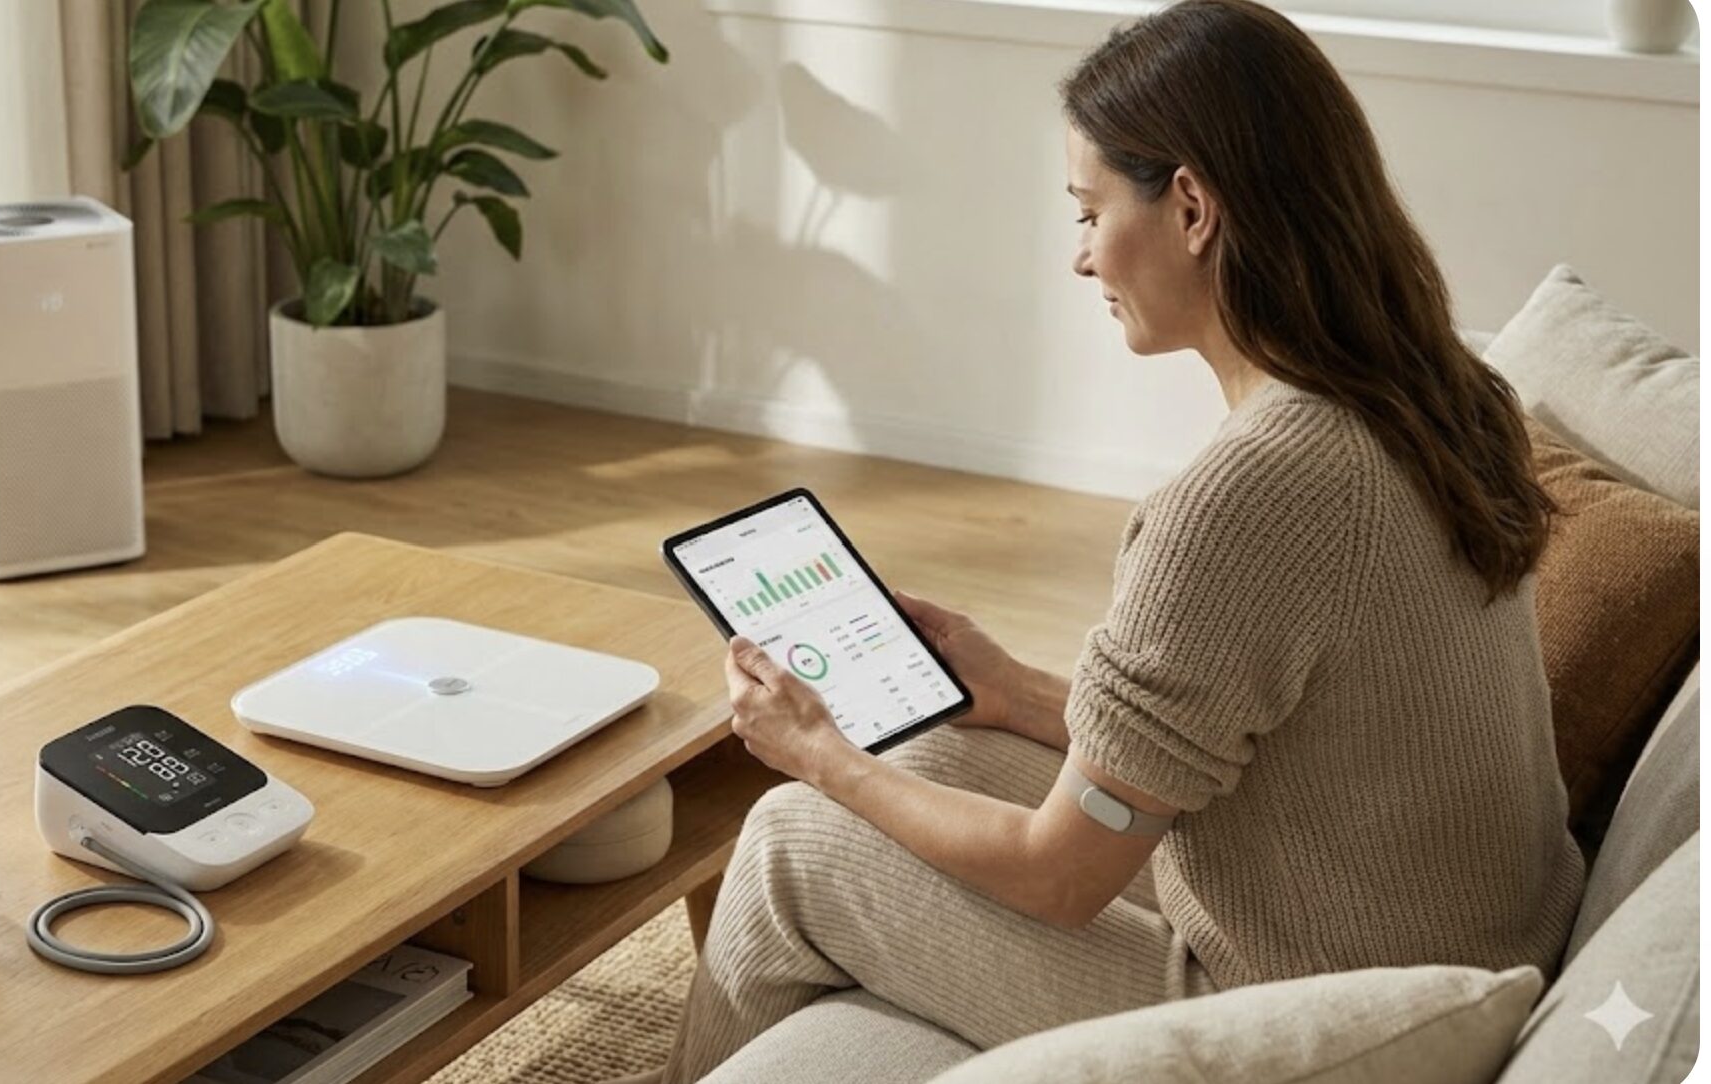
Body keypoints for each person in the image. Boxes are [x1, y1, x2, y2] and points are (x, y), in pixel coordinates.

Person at [608, 1, 1585, 1080]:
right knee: (933, 747)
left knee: (791, 840)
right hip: (1445, 933)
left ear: (1192, 208)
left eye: (1086, 211)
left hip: (1307, 1001)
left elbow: (1059, 876)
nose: (1079, 258)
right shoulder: (1446, 394)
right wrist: (1015, 690)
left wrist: (816, 755)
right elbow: (1270, 721)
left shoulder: (1248, 494)